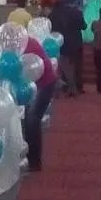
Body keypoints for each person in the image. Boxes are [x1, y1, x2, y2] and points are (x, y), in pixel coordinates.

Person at [22, 32, 57, 171]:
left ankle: (34, 161)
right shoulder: (26, 42)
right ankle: (30, 158)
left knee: (32, 120)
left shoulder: (24, 46)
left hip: (44, 83)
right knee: (29, 120)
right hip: (39, 83)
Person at [49, 0, 87, 96]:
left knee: (59, 67)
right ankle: (74, 88)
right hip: (74, 43)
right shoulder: (76, 12)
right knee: (72, 66)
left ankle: (62, 89)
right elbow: (84, 26)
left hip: (56, 43)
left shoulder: (53, 14)